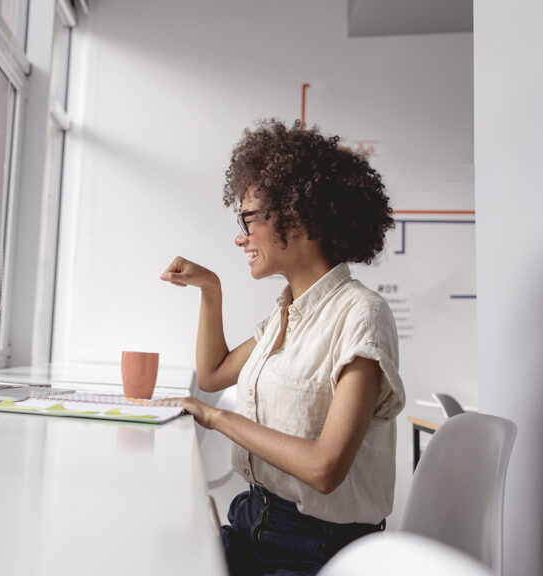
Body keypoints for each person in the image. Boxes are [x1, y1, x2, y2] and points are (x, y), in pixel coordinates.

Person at [160, 119, 405, 575]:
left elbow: (325, 468)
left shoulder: (361, 315)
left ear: (299, 217)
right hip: (253, 521)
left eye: (249, 218)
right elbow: (213, 373)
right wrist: (210, 289)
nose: (240, 235)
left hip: (319, 549)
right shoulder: (285, 316)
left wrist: (216, 417)